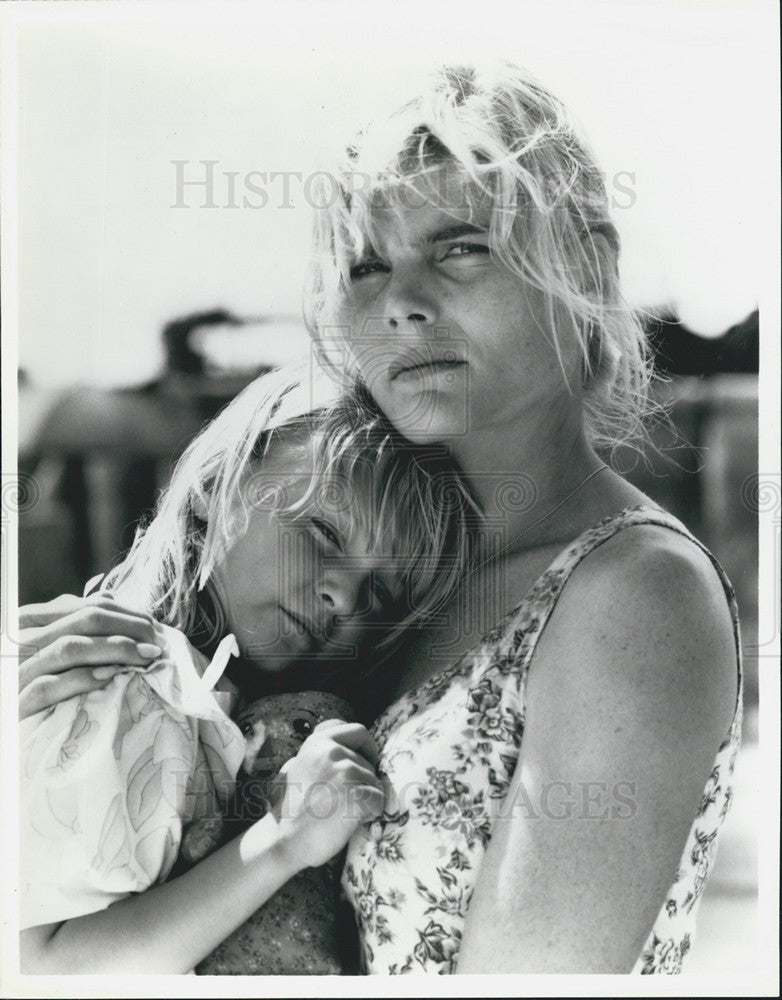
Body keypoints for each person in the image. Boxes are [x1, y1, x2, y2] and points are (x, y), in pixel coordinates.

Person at [18, 61, 741, 974]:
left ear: (587, 266)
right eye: (365, 264)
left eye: (460, 247)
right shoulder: (380, 592)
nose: (401, 301)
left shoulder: (634, 595)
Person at [18, 366, 474, 974]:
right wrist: (280, 844)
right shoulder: (121, 685)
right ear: (214, 485)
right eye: (321, 531)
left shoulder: (235, 708)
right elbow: (46, 968)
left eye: (381, 594)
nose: (345, 596)